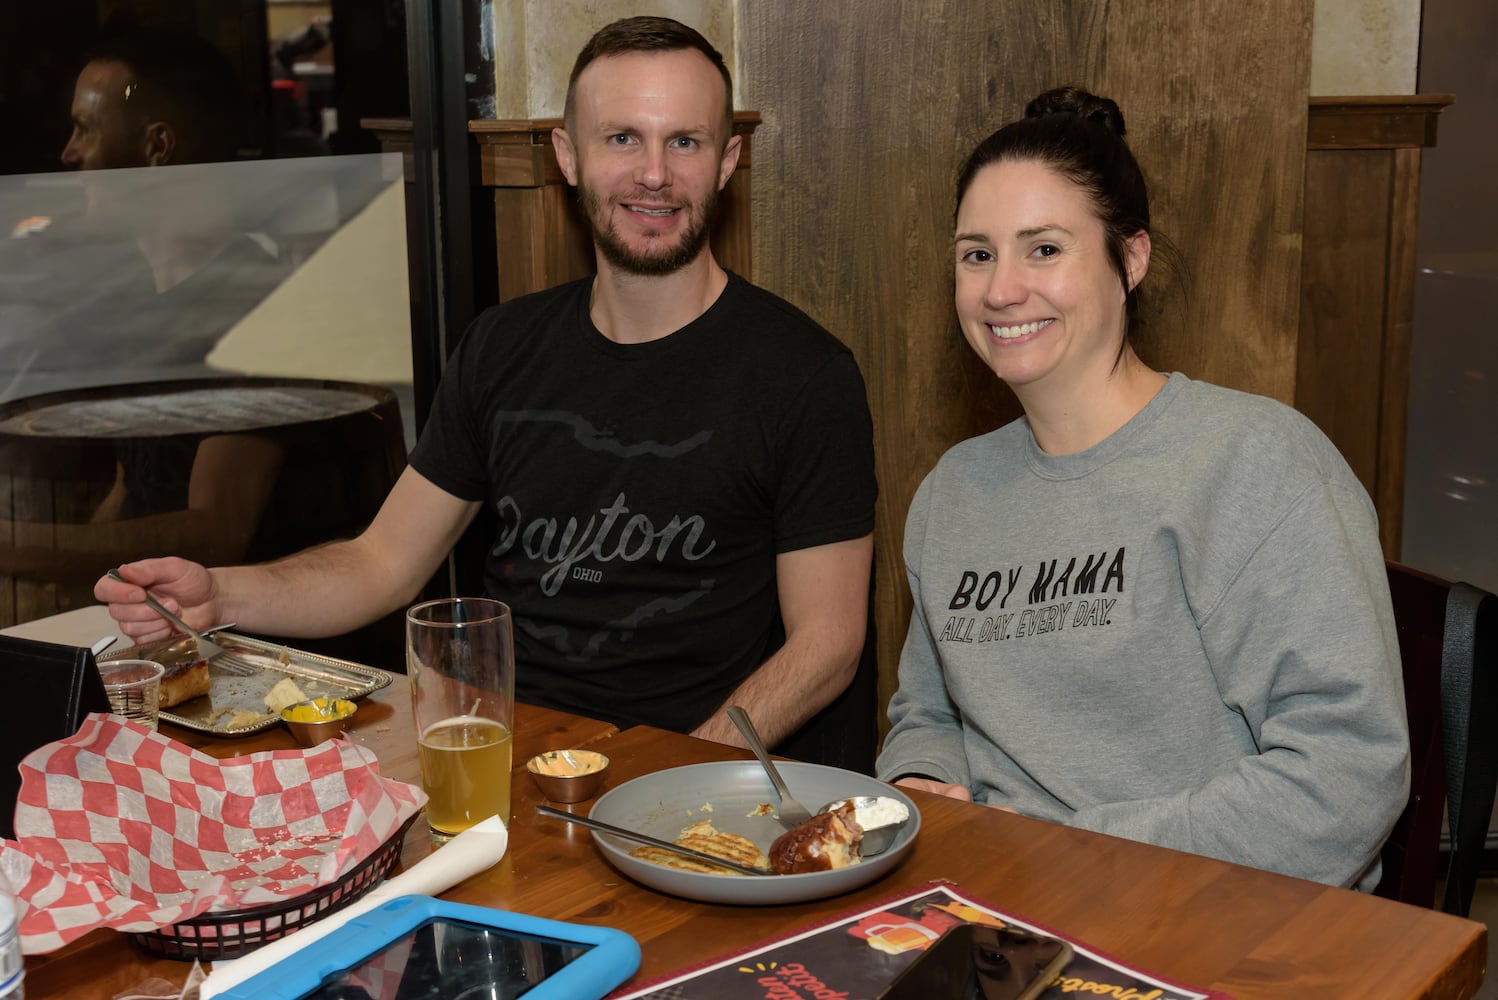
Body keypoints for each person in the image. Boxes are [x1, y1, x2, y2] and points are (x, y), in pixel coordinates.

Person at [96, 17, 878, 755]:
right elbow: (381, 564)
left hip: (700, 782)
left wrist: (677, 777)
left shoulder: (803, 374)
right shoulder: (502, 347)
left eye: (686, 141)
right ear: (566, 155)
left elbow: (828, 648)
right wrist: (220, 597)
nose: (655, 174)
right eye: (621, 138)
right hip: (511, 762)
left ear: (728, 161)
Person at [875, 87, 1409, 889]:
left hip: (1209, 920)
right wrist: (918, 789)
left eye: (1045, 249)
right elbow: (929, 712)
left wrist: (1064, 850)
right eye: (976, 254)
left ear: (1131, 259)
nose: (1001, 289)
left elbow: (1347, 775)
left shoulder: (1254, 464)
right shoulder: (953, 492)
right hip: (994, 909)